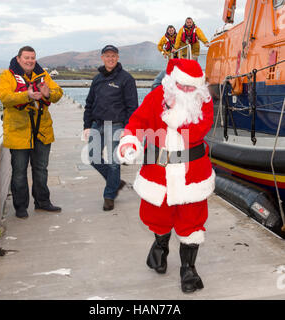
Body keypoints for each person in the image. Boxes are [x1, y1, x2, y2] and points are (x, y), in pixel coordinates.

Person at [117, 58, 215, 293]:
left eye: (192, 88)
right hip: (157, 172)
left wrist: (178, 121)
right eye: (184, 87)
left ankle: (188, 269)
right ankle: (160, 246)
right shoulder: (156, 97)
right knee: (157, 216)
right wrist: (129, 142)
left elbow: (202, 127)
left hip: (192, 174)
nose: (188, 91)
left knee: (192, 222)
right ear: (174, 82)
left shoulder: (203, 101)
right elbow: (137, 121)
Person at [0, 46, 63, 219]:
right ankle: (20, 206)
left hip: (42, 130)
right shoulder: (6, 76)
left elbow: (58, 93)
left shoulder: (43, 75)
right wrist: (27, 95)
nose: (30, 61)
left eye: (32, 58)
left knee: (41, 169)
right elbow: (5, 97)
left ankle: (42, 202)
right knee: (19, 171)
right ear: (18, 59)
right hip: (18, 132)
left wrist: (48, 94)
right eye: (26, 57)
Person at [83, 45, 138, 211]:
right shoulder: (97, 79)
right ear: (102, 58)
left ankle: (109, 195)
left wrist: (128, 128)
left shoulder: (126, 79)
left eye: (113, 56)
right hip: (97, 124)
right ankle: (115, 182)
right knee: (93, 157)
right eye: (107, 56)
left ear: (118, 57)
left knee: (114, 163)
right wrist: (87, 126)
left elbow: (132, 107)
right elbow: (89, 104)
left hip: (116, 126)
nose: (110, 58)